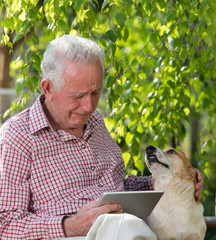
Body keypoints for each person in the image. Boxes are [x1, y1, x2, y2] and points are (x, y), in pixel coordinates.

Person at [0, 35, 203, 240]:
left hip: (124, 229)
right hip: (73, 236)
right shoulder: (19, 136)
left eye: (95, 92)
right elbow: (5, 225)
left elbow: (113, 187)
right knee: (126, 227)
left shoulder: (94, 122)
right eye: (78, 96)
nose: (89, 106)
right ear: (48, 88)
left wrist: (173, 179)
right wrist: (70, 226)